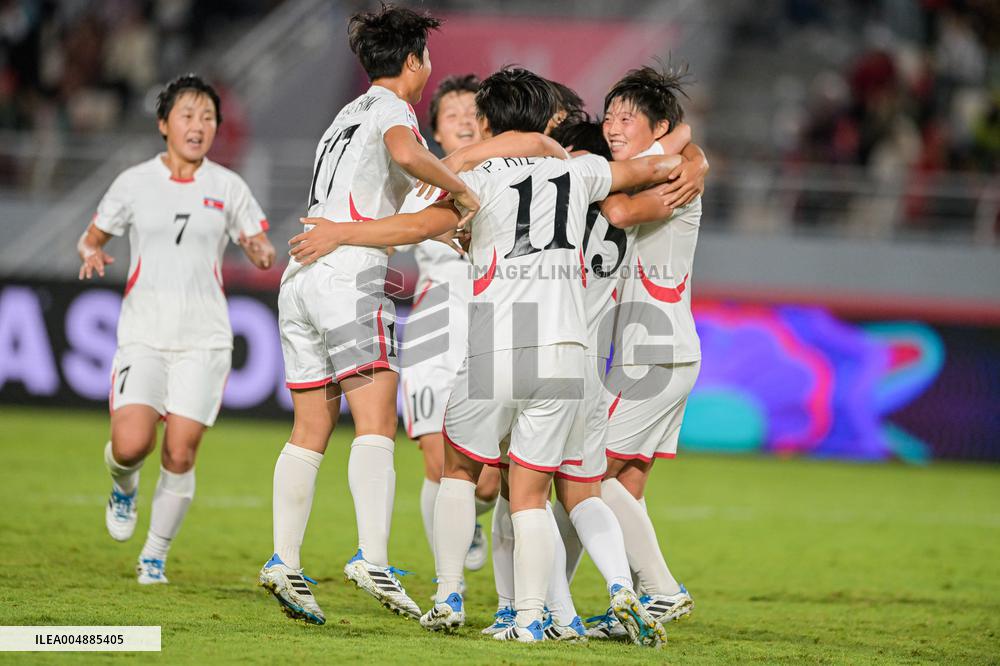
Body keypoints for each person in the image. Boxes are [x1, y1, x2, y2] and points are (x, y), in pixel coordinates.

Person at [291, 66, 688, 643]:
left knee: (460, 470)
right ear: (540, 119)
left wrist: (341, 233)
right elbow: (657, 165)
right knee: (532, 492)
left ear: (485, 121)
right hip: (568, 345)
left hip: (500, 337)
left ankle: (449, 594)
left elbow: (412, 227)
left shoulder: (477, 183)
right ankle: (534, 618)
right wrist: (687, 155)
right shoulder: (580, 173)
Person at [257, 4, 479, 626]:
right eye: (427, 60)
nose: (430, 70)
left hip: (301, 279)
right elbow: (408, 156)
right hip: (348, 277)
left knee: (309, 427)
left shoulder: (344, 115)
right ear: (413, 63)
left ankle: (284, 559)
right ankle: (373, 559)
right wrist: (463, 193)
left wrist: (449, 228)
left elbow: (391, 192)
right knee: (378, 420)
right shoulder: (392, 111)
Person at [78, 73, 275, 585]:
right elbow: (92, 236)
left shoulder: (228, 186)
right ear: (164, 123)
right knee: (130, 445)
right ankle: (124, 486)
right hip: (143, 334)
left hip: (204, 338)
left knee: (181, 450)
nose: (199, 125)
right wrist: (92, 251)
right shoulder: (134, 182)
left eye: (208, 117)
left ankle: (155, 556)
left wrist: (260, 251)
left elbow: (258, 243)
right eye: (188, 115)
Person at [588, 65, 707, 637]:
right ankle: (633, 605)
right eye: (608, 114)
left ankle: (661, 590)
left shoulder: (675, 178)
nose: (611, 125)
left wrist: (686, 148)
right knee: (628, 481)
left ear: (657, 127)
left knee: (588, 471)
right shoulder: (674, 162)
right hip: (660, 350)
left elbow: (616, 212)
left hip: (653, 353)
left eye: (625, 117)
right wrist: (685, 143)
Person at [397, 74, 500, 574]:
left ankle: (474, 516)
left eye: (470, 110)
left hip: (497, 331)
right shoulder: (420, 184)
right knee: (438, 462)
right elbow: (389, 236)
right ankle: (447, 581)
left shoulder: (509, 176)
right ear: (435, 131)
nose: (462, 118)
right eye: (451, 112)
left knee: (488, 481)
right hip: (435, 333)